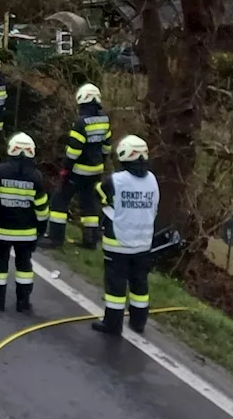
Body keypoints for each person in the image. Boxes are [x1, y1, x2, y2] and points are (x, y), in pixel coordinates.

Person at [93, 135, 159, 336]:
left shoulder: (116, 180)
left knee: (116, 285)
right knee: (140, 284)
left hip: (118, 242)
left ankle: (112, 324)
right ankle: (139, 322)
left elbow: (100, 194)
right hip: (143, 243)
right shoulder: (152, 180)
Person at [0, 133, 49, 313]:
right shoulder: (36, 177)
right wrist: (41, 229)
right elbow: (42, 208)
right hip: (27, 232)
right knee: (24, 266)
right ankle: (23, 302)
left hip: (0, 229)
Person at [44, 83, 112, 249]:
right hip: (96, 170)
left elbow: (73, 151)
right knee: (89, 204)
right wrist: (100, 162)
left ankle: (55, 238)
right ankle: (90, 241)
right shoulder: (104, 120)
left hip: (78, 171)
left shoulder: (81, 123)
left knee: (59, 200)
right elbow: (107, 147)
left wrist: (66, 169)